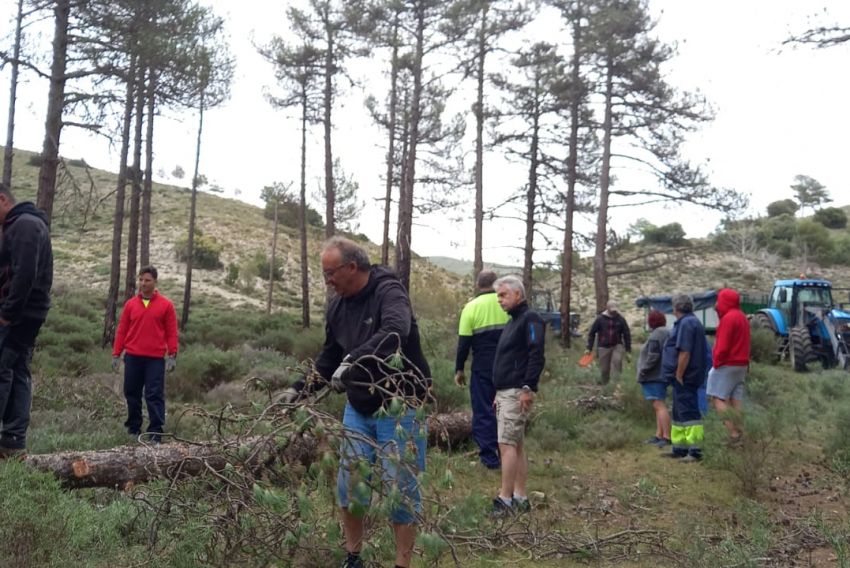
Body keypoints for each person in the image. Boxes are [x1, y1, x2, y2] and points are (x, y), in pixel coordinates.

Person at [282, 237, 430, 568]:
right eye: (324, 275)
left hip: (401, 402)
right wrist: (300, 388)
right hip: (360, 406)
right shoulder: (337, 305)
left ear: (352, 267)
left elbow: (396, 331)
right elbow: (330, 354)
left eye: (331, 273)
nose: (328, 281)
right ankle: (354, 557)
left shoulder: (388, 290)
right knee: (351, 486)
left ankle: (401, 564)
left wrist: (355, 359)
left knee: (400, 489)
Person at [0, 182, 53, 459]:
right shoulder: (25, 224)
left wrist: (7, 314)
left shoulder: (24, 226)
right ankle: (12, 442)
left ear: (2, 200)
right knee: (17, 371)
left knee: (4, 369)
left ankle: (13, 438)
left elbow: (24, 276)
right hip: (27, 315)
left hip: (19, 316)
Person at [490, 275, 545, 517]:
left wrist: (527, 387)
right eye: (498, 296)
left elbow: (536, 353)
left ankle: (505, 500)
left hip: (516, 391)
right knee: (517, 444)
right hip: (506, 391)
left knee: (506, 444)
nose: (499, 300)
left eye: (503, 295)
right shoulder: (513, 321)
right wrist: (498, 392)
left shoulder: (529, 318)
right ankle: (520, 497)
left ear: (518, 295)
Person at [112, 266, 178, 444]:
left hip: (155, 359)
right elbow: (122, 330)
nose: (143, 283)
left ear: (155, 282)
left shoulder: (166, 305)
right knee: (131, 392)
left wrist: (172, 354)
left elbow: (172, 332)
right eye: (141, 280)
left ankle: (156, 431)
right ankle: (134, 427)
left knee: (154, 394)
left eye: (147, 280)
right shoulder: (130, 305)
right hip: (133, 357)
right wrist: (116, 354)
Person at [454, 270, 510, 469]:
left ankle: (489, 458)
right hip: (508, 367)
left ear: (478, 285)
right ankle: (508, 455)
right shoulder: (506, 304)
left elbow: (463, 344)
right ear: (496, 285)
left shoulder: (470, 308)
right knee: (506, 410)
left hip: (483, 368)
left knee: (484, 411)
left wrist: (459, 369)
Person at [661, 294, 708, 461]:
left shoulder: (687, 324)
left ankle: (695, 451)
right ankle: (679, 448)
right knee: (679, 412)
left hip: (686, 376)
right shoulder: (689, 322)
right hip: (684, 376)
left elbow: (685, 352)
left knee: (688, 412)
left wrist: (679, 374)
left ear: (675, 308)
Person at [707, 288, 750, 442]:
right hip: (742, 364)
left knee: (717, 398)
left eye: (719, 301)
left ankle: (732, 434)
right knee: (735, 400)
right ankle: (740, 431)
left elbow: (723, 346)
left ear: (725, 301)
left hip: (727, 364)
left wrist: (717, 362)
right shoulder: (742, 317)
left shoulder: (728, 318)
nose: (717, 305)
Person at [637, 310, 671, 447]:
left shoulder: (657, 334)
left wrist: (644, 369)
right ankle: (659, 435)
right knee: (657, 405)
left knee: (659, 405)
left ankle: (666, 436)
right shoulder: (666, 332)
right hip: (660, 374)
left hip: (654, 375)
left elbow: (653, 356)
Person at [586, 300, 631, 384]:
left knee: (617, 363)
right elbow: (592, 333)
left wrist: (628, 350)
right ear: (607, 309)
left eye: (615, 310)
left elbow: (626, 334)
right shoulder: (600, 319)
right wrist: (589, 348)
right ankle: (605, 385)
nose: (614, 312)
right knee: (604, 369)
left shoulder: (621, 319)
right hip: (603, 346)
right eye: (612, 310)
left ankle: (616, 385)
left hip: (617, 345)